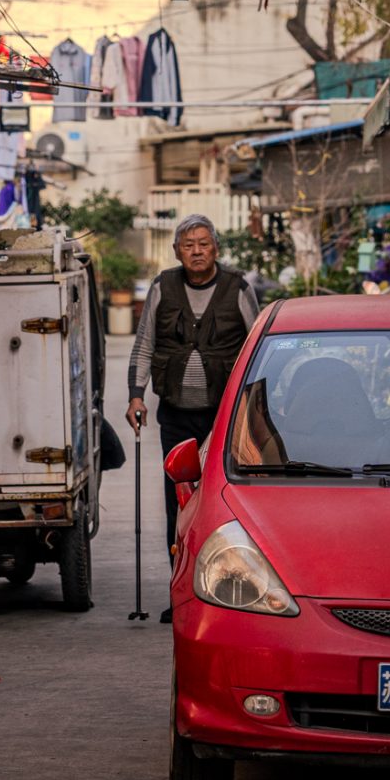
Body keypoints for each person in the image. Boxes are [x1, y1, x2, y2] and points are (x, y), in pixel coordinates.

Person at [127, 216, 260, 620]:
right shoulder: (162, 287)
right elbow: (145, 343)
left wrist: (256, 407)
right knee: (179, 504)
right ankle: (182, 595)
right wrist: (135, 396)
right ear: (177, 251)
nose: (197, 251)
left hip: (225, 420)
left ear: (216, 249)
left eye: (204, 244)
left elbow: (258, 346)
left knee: (227, 502)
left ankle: (234, 591)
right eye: (189, 245)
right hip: (177, 417)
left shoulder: (237, 288)